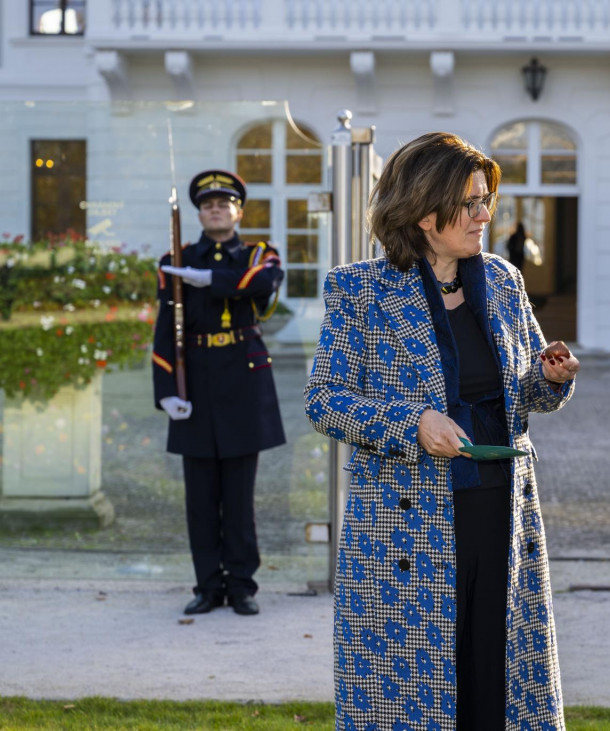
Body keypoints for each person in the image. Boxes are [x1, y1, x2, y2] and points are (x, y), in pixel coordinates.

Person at [303, 132, 579, 730]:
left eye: (487, 200)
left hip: (500, 513)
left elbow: (525, 397)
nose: (486, 214)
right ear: (426, 213)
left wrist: (550, 378)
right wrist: (412, 423)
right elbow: (324, 401)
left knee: (495, 681)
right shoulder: (358, 290)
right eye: (472, 202)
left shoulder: (502, 280)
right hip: (405, 528)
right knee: (416, 697)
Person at [152, 169, 286, 617]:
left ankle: (242, 585)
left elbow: (263, 283)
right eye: (208, 204)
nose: (215, 209)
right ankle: (208, 586)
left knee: (239, 494)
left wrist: (210, 279)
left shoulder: (258, 254)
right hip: (196, 382)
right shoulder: (176, 258)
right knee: (200, 498)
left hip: (243, 382)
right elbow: (164, 330)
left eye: (223, 203)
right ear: (198, 212)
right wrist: (166, 389)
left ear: (238, 211)